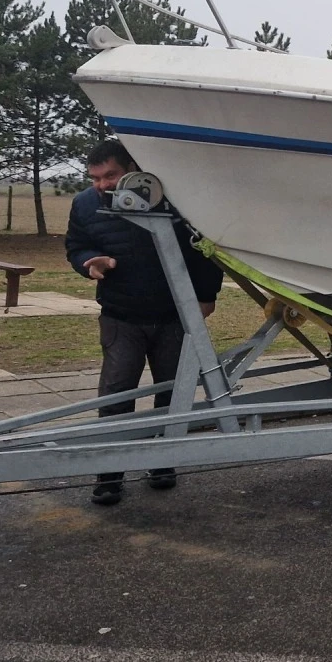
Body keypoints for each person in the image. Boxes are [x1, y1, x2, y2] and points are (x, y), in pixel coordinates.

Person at [65, 139, 223, 506]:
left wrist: (206, 297)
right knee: (117, 396)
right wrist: (90, 263)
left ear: (134, 167)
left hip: (173, 317)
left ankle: (161, 463)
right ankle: (109, 476)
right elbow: (76, 245)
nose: (102, 185)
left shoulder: (174, 201)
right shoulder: (85, 204)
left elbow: (204, 250)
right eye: (95, 178)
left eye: (111, 175)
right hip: (121, 317)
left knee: (171, 393)